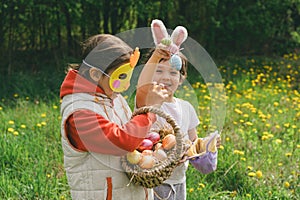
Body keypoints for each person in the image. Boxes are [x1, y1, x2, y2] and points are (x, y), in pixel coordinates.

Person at [60, 34, 169, 200]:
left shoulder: (111, 96)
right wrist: (152, 109)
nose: (125, 86)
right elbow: (123, 141)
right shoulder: (79, 114)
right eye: (121, 76)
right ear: (96, 74)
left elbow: (132, 126)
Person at [137, 47, 221, 200]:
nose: (166, 77)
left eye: (173, 72)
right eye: (159, 71)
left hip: (178, 180)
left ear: (182, 78)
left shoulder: (186, 108)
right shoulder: (148, 102)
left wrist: (207, 145)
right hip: (150, 181)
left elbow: (194, 144)